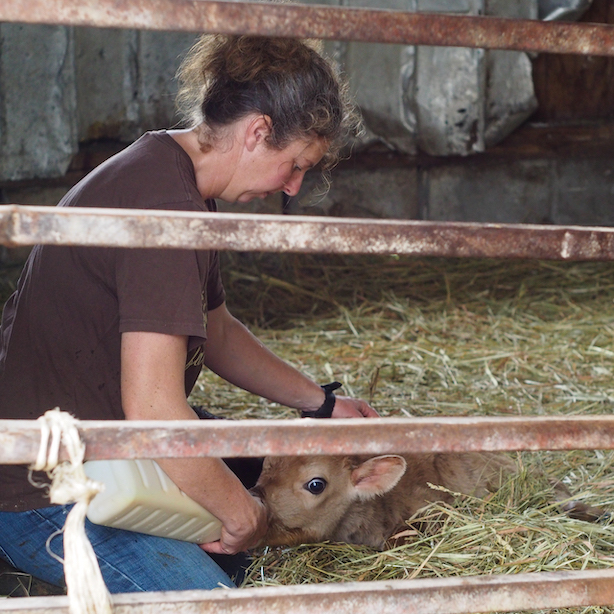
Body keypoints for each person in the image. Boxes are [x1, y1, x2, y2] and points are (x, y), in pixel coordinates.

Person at [0, 34, 377, 593]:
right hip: (43, 488)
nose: (293, 186)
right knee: (220, 598)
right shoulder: (165, 208)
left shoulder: (171, 177)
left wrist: (320, 403)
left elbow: (217, 331)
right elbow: (153, 408)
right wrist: (240, 513)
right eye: (295, 164)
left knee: (267, 480)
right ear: (257, 131)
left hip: (107, 446)